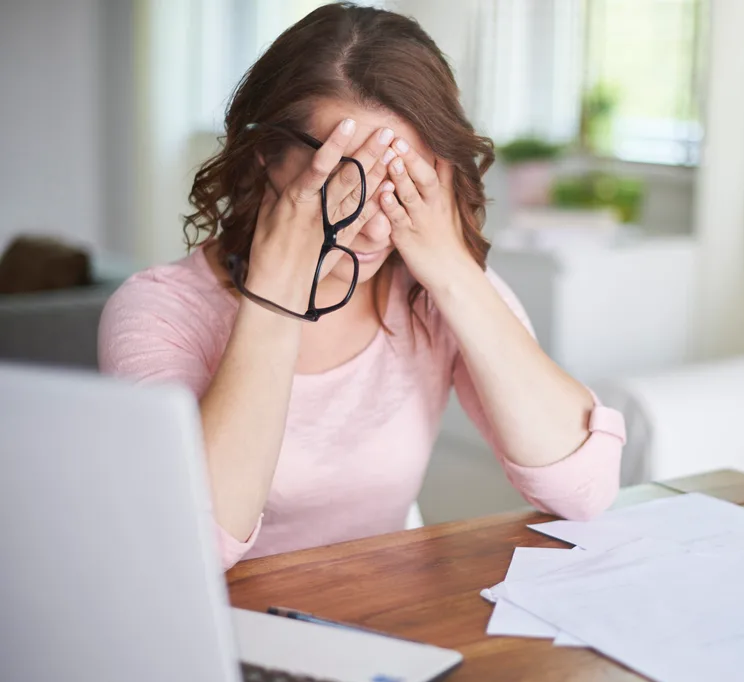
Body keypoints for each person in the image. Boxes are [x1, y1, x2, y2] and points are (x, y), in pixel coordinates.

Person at [99, 2, 626, 570]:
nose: (377, 227)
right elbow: (193, 546)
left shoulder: (433, 290)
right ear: (265, 159)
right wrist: (278, 293)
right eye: (344, 183)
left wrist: (453, 271)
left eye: (401, 185)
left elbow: (585, 491)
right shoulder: (157, 311)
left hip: (381, 631)